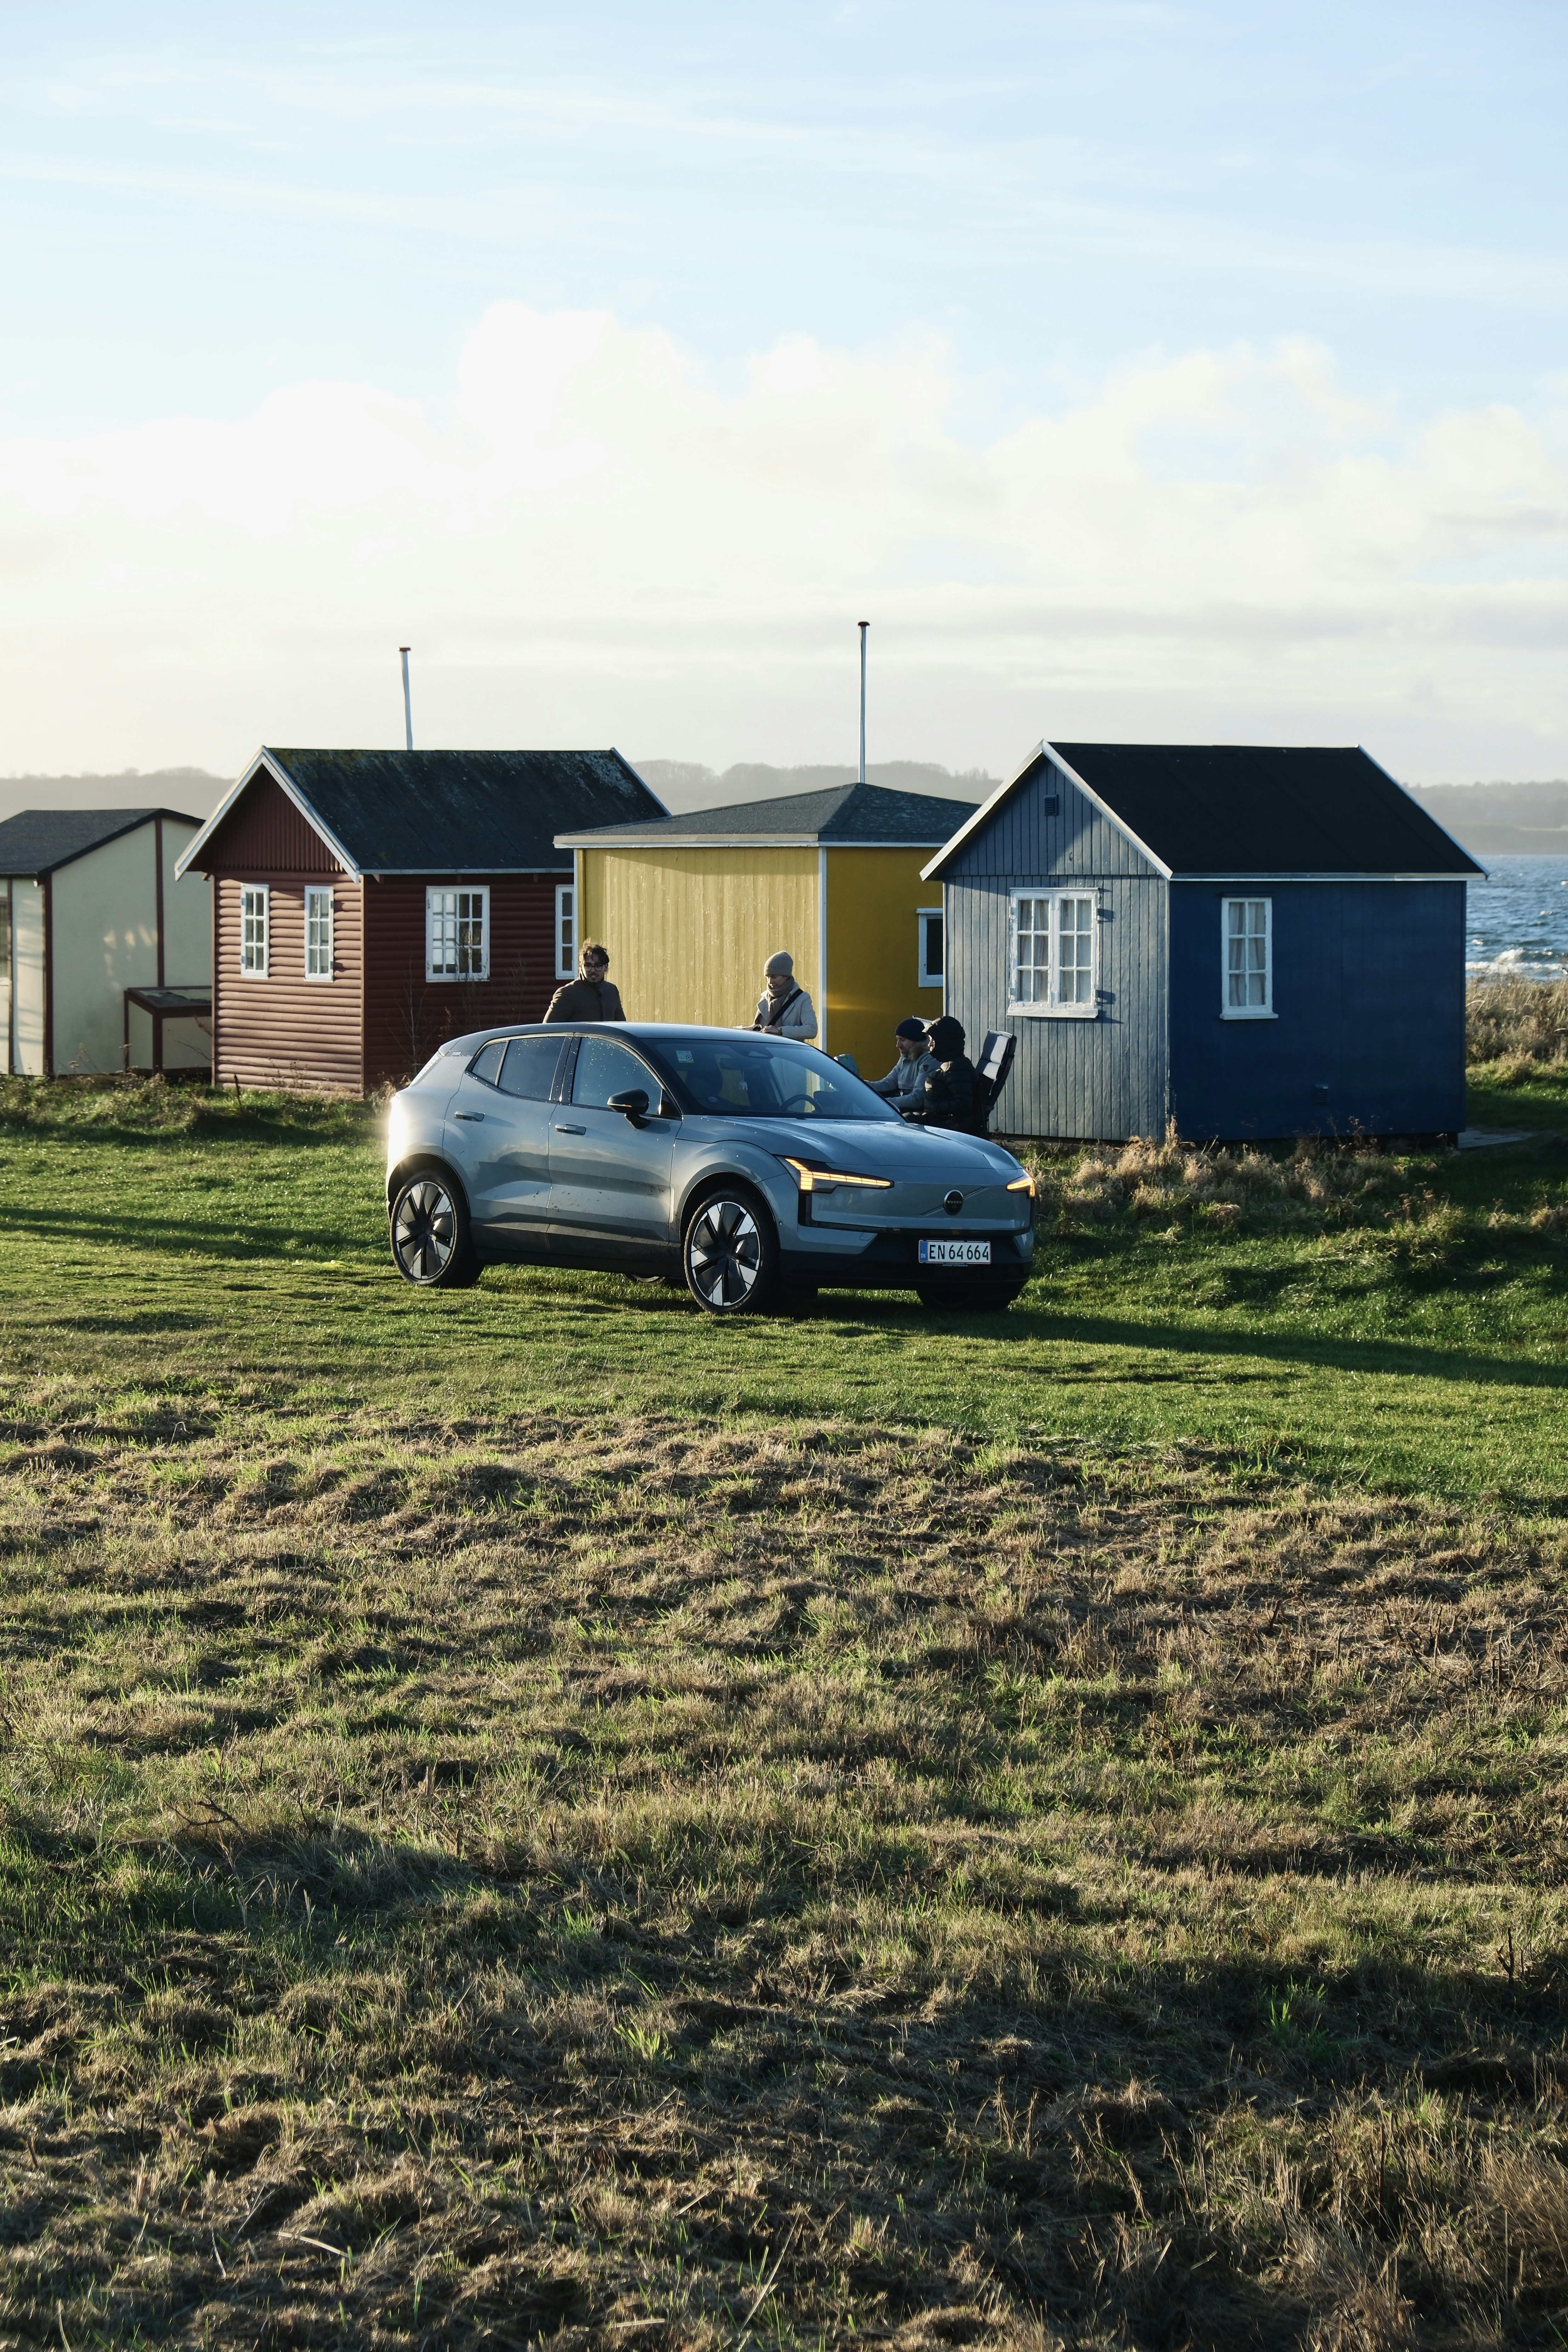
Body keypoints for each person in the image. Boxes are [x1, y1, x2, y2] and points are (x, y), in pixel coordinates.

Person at [916, 1014, 980, 1131]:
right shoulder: (951, 1064)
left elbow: (964, 1103)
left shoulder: (956, 1068)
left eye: (933, 1041)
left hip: (943, 1124)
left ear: (944, 1042)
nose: (930, 1045)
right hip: (937, 1120)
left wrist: (936, 1108)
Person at [545, 939, 625, 1022]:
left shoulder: (612, 991)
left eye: (598, 966)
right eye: (588, 966)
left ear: (606, 967)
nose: (593, 971)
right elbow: (548, 1030)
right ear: (581, 967)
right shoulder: (567, 994)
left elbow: (622, 1026)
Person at [870, 1017, 937, 1108]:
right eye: (898, 1039)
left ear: (916, 1040)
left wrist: (883, 1104)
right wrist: (859, 1084)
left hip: (917, 1114)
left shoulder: (928, 1060)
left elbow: (918, 1099)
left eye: (903, 1040)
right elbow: (888, 1084)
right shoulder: (906, 1056)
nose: (898, 1045)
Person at [750, 950, 817, 1040]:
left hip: (789, 1052)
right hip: (767, 1052)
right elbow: (761, 1027)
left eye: (774, 977)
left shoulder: (802, 998)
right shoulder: (765, 997)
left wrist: (780, 1031)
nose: (770, 982)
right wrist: (749, 1030)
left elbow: (812, 1030)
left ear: (786, 976)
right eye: (768, 977)